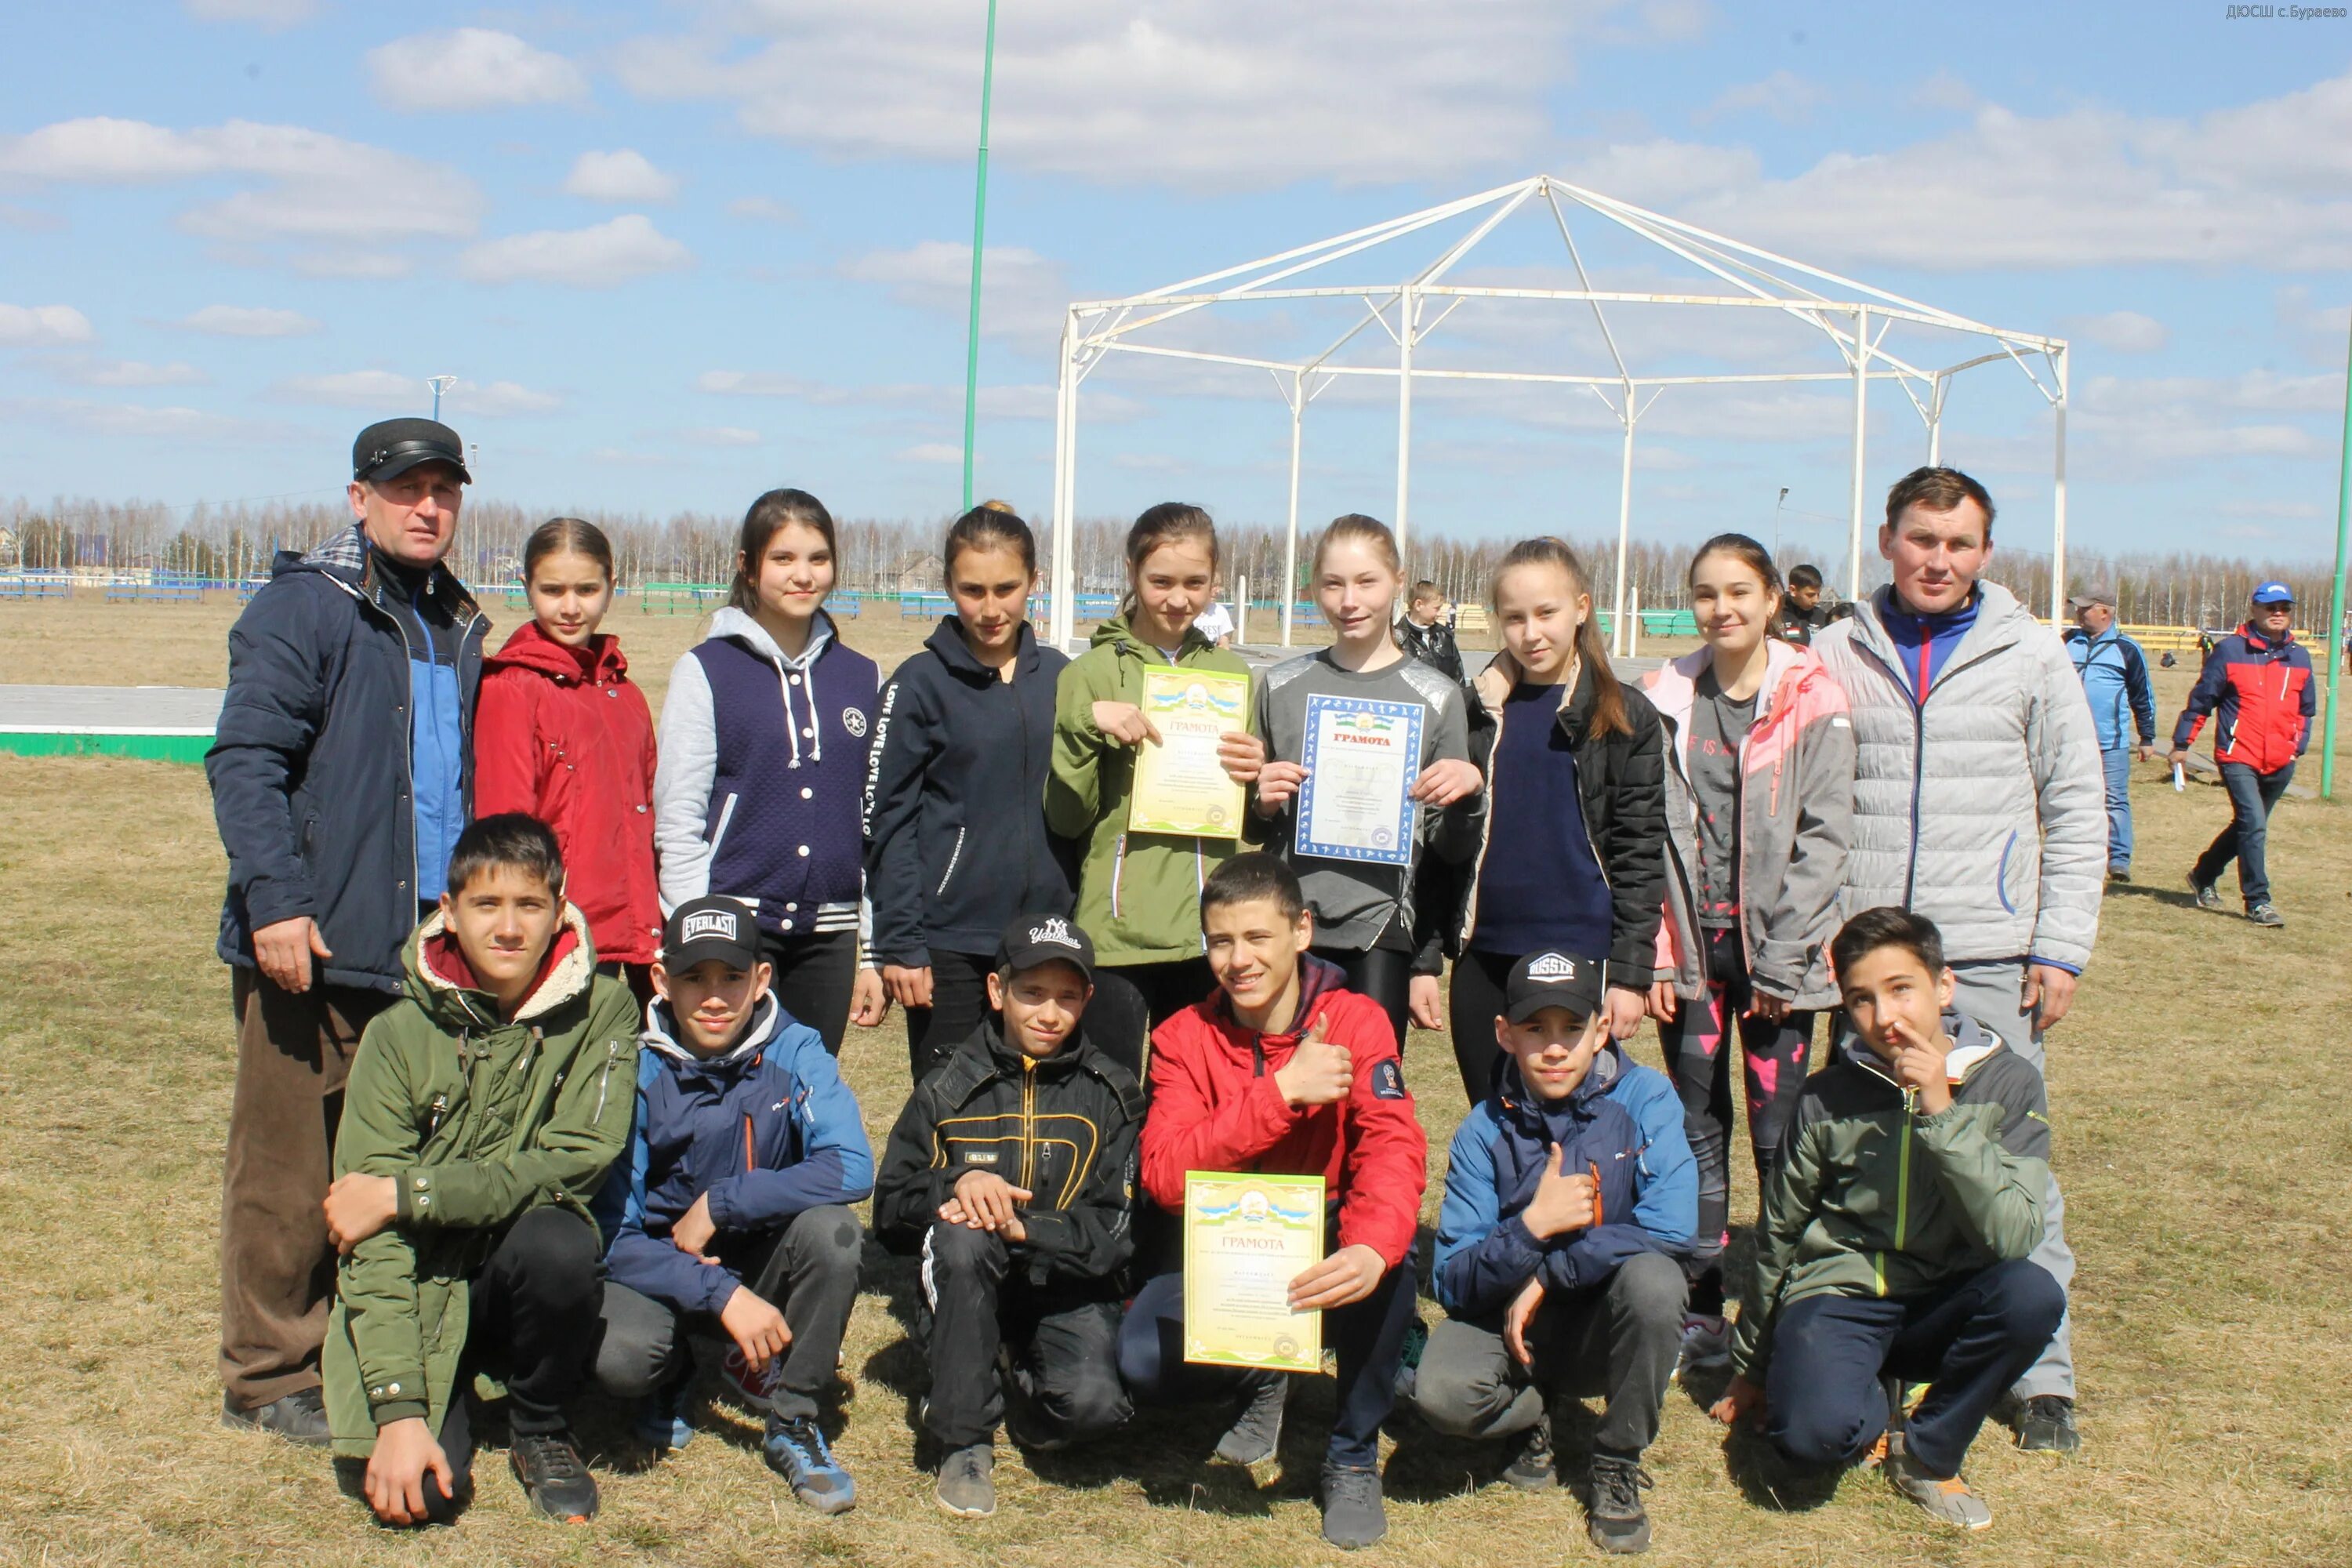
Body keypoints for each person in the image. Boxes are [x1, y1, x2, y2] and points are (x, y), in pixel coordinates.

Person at [207, 417, 488, 1445]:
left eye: (444, 490)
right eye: (406, 488)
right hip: (314, 944)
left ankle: (374, 1355)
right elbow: (245, 761)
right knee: (287, 1169)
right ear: (357, 498)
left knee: (388, 1166)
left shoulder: (453, 621)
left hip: (422, 956)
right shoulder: (307, 608)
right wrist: (278, 901)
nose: (427, 506)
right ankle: (268, 1373)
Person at [1809, 465, 2099, 1454]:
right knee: (1867, 1161)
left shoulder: (2031, 653)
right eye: (1922, 538)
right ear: (1886, 537)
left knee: (2012, 1159)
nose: (1939, 559)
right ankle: (1871, 1342)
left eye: (1960, 542)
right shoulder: (1834, 646)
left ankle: (2044, 1373)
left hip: (1989, 948)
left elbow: (2076, 801)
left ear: (1985, 551)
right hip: (1866, 958)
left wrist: (2059, 943)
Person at [321, 814, 641, 1525]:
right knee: (424, 1500)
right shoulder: (396, 1034)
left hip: (519, 1274)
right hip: (424, 1281)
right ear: (449, 912)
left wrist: (409, 1192)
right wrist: (400, 1411)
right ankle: (445, 1392)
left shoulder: (606, 1010)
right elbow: (369, 1232)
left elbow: (574, 1163)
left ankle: (539, 1424)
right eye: (486, 905)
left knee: (560, 1239)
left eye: (529, 905)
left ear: (560, 910)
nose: (508, 928)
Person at [1710, 908, 2065, 1533]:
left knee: (2032, 1295)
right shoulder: (1825, 1096)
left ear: (1944, 986)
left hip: (1947, 1296)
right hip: (1844, 1293)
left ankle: (1928, 1453)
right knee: (1809, 1444)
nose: (1886, 1017)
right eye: (1862, 1000)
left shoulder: (2010, 1082)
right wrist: (1754, 1368)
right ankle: (1866, 1395)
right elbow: (1781, 1235)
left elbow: (2013, 1232)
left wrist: (1940, 1111)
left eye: (1902, 989)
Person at [1116, 854, 1426, 1551]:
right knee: (1143, 1358)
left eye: (1258, 938)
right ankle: (1263, 1379)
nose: (1239, 960)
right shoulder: (1181, 1038)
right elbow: (1164, 1178)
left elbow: (1392, 1144)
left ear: (1302, 931)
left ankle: (1351, 1453)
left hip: (1327, 1227)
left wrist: (1372, 1246)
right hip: (1230, 1246)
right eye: (1221, 941)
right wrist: (1281, 1093)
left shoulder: (1357, 1020)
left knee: (1389, 1265)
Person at [1639, 534, 1853, 1367]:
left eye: (1738, 591)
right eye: (1704, 593)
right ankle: (1699, 1301)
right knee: (1696, 1127)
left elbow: (1826, 835)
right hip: (1691, 955)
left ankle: (1778, 1300)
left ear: (1773, 597)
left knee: (1778, 1135)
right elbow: (1649, 837)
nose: (1721, 607)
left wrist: (1786, 959)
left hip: (1781, 965)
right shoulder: (1666, 696)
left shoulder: (1814, 693)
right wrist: (1660, 953)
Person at [589, 895, 871, 1512]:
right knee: (625, 1358)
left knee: (836, 1235)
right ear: (661, 980)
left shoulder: (796, 1050)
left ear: (761, 979)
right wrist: (715, 1292)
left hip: (759, 1256)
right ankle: (676, 1366)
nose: (714, 997)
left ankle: (793, 1415)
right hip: (665, 1268)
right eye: (694, 978)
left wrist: (725, 1201)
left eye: (732, 977)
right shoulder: (633, 1066)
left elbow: (851, 1165)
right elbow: (614, 1232)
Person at [1413, 949, 1695, 1556]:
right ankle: (1535, 1411)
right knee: (1440, 1393)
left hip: (1602, 1320)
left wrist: (1552, 1273)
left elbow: (1674, 1229)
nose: (1555, 1047)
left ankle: (1617, 1460)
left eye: (1572, 1027)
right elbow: (1453, 1281)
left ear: (1600, 1029)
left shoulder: (1648, 1099)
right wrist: (1532, 1227)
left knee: (1657, 1283)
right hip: (1511, 1323)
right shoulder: (1482, 1129)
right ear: (1504, 1034)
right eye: (1535, 1028)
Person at [875, 915, 1142, 1519]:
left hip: (1066, 1285)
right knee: (965, 1234)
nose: (1049, 1013)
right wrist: (955, 1182)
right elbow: (889, 1209)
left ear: (1088, 999)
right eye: (1032, 993)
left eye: (1067, 997)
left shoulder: (1114, 1092)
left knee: (1096, 1409)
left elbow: (1117, 1233)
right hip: (969, 1277)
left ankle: (1005, 1374)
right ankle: (964, 1439)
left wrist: (1030, 1230)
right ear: (997, 991)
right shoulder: (945, 1085)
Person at [655, 488, 887, 1054]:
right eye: (783, 559)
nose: (803, 575)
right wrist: (693, 925)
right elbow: (680, 812)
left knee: (805, 1092)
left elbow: (874, 819)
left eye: (818, 558)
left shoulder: (861, 675)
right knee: (730, 1094)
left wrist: (873, 951)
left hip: (829, 936)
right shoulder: (706, 669)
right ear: (749, 567)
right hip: (733, 925)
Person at [1439, 538, 1667, 1105]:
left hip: (1580, 954)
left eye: (1547, 613)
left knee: (1575, 1136)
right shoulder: (1474, 710)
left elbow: (1639, 851)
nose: (1530, 633)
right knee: (1495, 1130)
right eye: (1514, 618)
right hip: (1485, 956)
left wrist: (1631, 975)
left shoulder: (1626, 715)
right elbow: (1441, 846)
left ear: (1582, 609)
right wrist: (1427, 960)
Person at [1046, 503, 1268, 1073]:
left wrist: (1256, 774)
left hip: (1210, 931)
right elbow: (1067, 819)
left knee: (1191, 1100)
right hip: (1120, 928)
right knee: (1111, 1095)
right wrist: (1086, 728)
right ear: (1131, 572)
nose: (1179, 599)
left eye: (1196, 583)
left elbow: (1247, 819)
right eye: (1160, 581)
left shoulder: (1234, 675)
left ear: (1216, 579)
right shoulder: (1090, 674)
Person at [1250, 515, 1484, 1047]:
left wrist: (1469, 797)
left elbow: (1449, 850)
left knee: (1368, 1099)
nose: (1349, 600)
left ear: (1399, 582)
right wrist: (1261, 801)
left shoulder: (1437, 696)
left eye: (1366, 582)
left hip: (1382, 926)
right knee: (1281, 1093)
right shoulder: (1280, 685)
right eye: (1333, 584)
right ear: (1313, 589)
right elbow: (1253, 821)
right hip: (1288, 921)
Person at [866, 503, 1075, 1082]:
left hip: (1047, 936)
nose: (990, 609)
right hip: (950, 941)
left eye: (1006, 588)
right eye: (972, 590)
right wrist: (901, 942)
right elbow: (888, 824)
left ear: (1035, 581)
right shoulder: (917, 684)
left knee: (1040, 1108)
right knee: (951, 1113)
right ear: (949, 587)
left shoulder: (1063, 678)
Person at [474, 517, 661, 1001]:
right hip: (558, 935)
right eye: (553, 590)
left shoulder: (626, 695)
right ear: (527, 587)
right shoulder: (511, 690)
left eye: (587, 589)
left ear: (611, 586)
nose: (572, 608)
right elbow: (505, 829)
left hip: (633, 932)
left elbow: (645, 814)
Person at [2173, 581, 2314, 928]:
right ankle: (2258, 901)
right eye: (2271, 607)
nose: (2278, 613)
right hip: (2239, 756)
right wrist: (2181, 744)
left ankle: (2203, 874)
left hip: (2281, 759)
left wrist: (2297, 748)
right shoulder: (2230, 651)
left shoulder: (2300, 655)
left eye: (2284, 607)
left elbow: (2305, 709)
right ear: (2255, 610)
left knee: (2249, 826)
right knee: (2254, 825)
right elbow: (2202, 701)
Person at [2062, 583, 2157, 883]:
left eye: (2085, 608)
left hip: (2110, 743)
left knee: (2115, 800)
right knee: (2066, 798)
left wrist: (2147, 737)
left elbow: (2143, 695)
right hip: (2068, 740)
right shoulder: (2066, 642)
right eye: (2077, 607)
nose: (2078, 613)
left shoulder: (2126, 649)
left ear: (2104, 612)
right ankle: (2072, 855)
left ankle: (2118, 859)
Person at [1395, 579, 1468, 684]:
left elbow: (1458, 677)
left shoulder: (1444, 636)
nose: (1440, 614)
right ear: (1418, 605)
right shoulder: (1396, 640)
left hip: (1444, 699)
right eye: (1436, 609)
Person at [1773, 564, 1834, 646]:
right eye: (1810, 595)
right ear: (1793, 590)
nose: (1816, 600)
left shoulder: (1822, 617)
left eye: (1818, 594)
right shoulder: (1774, 614)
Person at [1195, 583, 1237, 648]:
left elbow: (1224, 647)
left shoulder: (1221, 611)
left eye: (1219, 586)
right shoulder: (1186, 613)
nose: (1217, 591)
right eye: (1213, 586)